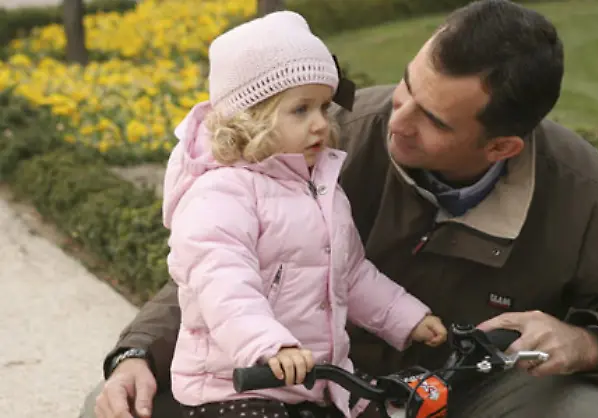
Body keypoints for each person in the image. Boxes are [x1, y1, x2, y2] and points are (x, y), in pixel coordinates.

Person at [83, 1, 598, 417]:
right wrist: (135, 352)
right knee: (109, 408)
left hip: (463, 402)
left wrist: (592, 345)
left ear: (501, 147)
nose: (397, 121)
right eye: (408, 85)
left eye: (432, 120)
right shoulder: (332, 135)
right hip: (320, 393)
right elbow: (220, 265)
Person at [128, 10, 449, 418]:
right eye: (301, 110)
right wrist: (269, 345)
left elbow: (351, 275)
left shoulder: (319, 188)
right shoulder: (220, 193)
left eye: (324, 107)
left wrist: (407, 319)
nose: (321, 124)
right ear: (251, 117)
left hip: (315, 382)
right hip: (236, 385)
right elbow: (224, 285)